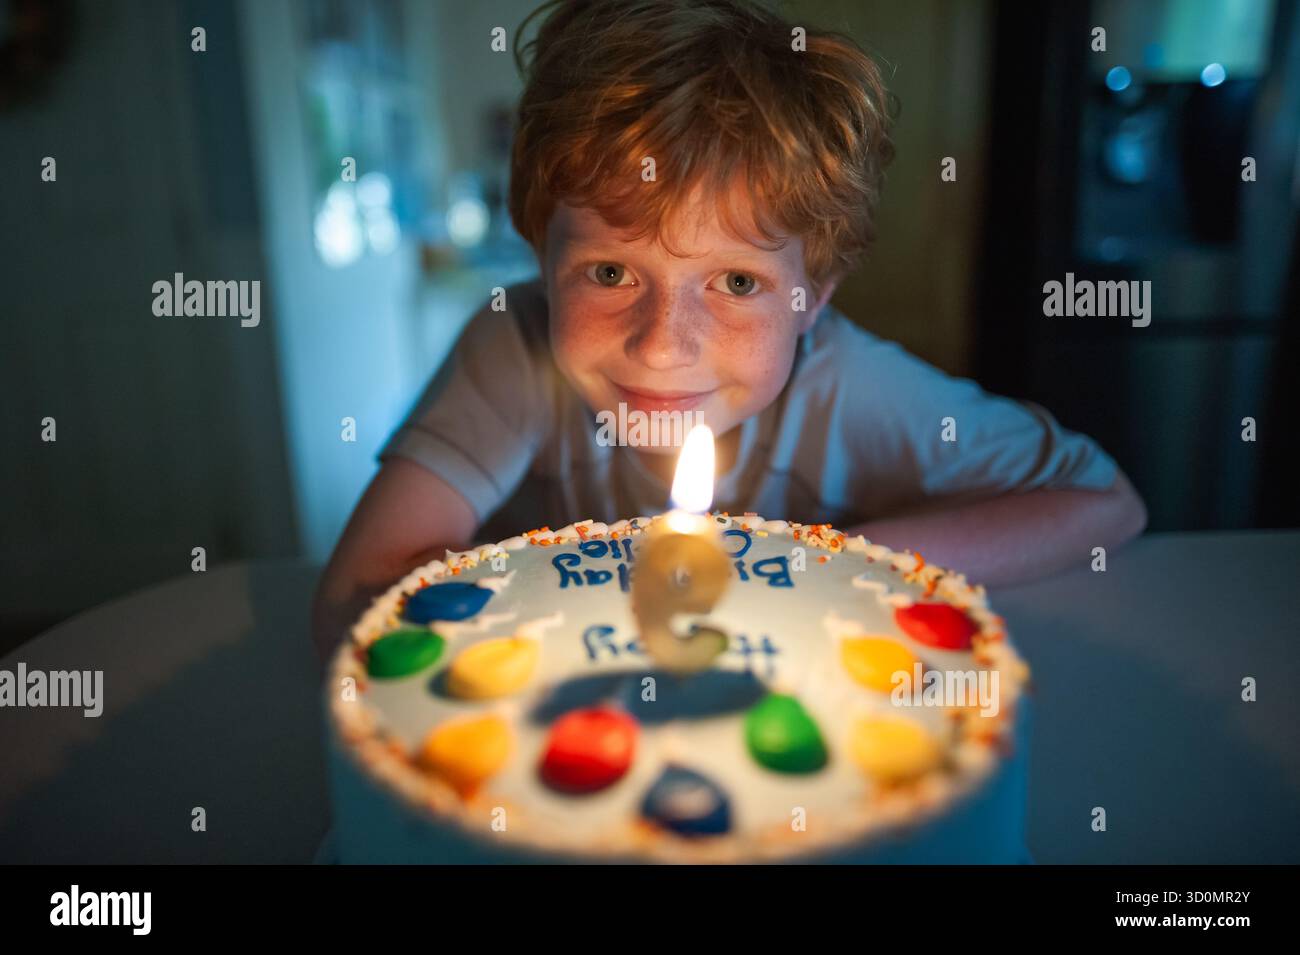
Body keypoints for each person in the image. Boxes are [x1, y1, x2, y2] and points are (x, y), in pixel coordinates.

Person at [311, 0, 1145, 663]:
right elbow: (353, 595)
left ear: (811, 299)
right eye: (611, 273)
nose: (663, 343)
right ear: (539, 251)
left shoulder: (850, 389)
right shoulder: (516, 348)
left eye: (737, 282)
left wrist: (836, 561)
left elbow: (1104, 504)